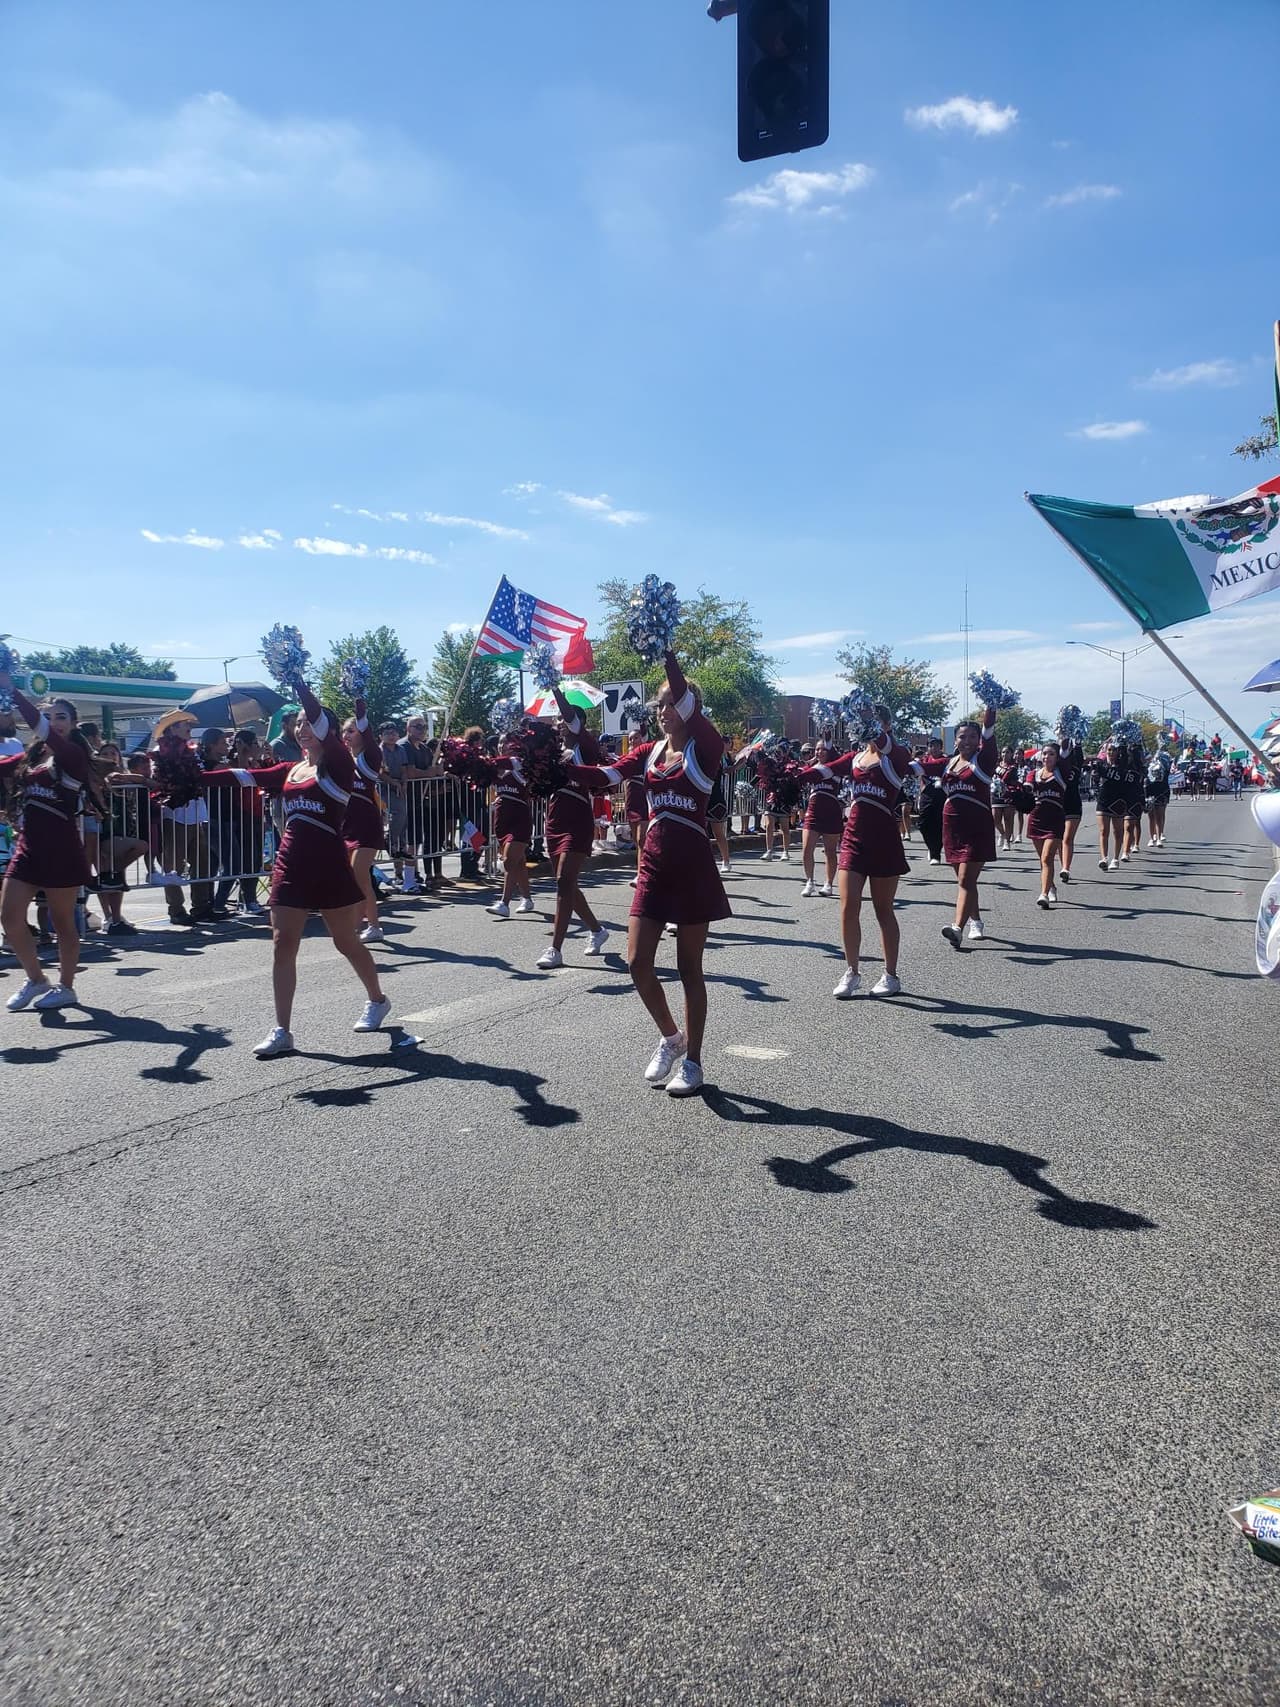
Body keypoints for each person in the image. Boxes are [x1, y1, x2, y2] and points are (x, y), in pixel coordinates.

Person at [561, 651, 730, 1095]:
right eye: (658, 705)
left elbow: (682, 691)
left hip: (692, 867)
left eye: (670, 703)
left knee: (689, 968)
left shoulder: (706, 747)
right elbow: (605, 774)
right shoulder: (648, 751)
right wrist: (561, 769)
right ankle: (672, 1038)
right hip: (653, 866)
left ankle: (693, 1062)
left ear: (689, 708)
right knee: (637, 962)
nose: (662, 711)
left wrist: (666, 650)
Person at [204, 680, 392, 1056]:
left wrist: (297, 680)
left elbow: (323, 721)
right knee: (282, 943)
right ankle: (282, 1030)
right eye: (298, 723)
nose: (302, 727)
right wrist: (191, 779)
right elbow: (244, 778)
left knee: (345, 941)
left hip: (328, 864)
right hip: (290, 864)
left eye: (309, 722)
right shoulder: (290, 770)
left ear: (327, 730)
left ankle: (377, 999)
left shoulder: (338, 764)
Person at [0, 678, 100, 1010]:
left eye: (61, 717)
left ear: (71, 726)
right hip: (29, 849)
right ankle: (36, 979)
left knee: (62, 923)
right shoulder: (29, 759)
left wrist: (12, 690)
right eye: (51, 716)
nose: (55, 722)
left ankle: (67, 987)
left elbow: (39, 728)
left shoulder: (72, 756)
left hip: (62, 851)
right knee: (10, 917)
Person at [800, 709, 910, 997]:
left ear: (886, 725)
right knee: (848, 907)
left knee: (883, 910)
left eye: (877, 722)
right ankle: (852, 971)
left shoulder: (897, 755)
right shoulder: (855, 758)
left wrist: (866, 717)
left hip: (884, 840)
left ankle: (890, 975)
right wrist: (792, 777)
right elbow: (825, 770)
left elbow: (883, 742)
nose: (869, 727)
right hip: (853, 839)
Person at [536, 686, 609, 969]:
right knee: (565, 884)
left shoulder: (585, 746)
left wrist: (555, 686)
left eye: (562, 720)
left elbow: (570, 716)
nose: (558, 724)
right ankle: (597, 930)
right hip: (554, 819)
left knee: (565, 880)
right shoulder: (555, 751)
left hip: (577, 818)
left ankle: (555, 949)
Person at [941, 703, 999, 948]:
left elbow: (988, 729)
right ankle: (976, 920)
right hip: (952, 829)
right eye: (962, 737)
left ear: (979, 742)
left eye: (972, 737)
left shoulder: (983, 761)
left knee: (966, 879)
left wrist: (991, 705)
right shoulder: (949, 763)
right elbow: (915, 767)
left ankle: (957, 928)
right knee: (966, 881)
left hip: (977, 829)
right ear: (955, 740)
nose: (967, 741)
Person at [341, 696, 386, 942]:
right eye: (344, 731)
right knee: (357, 878)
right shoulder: (341, 761)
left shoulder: (369, 758)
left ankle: (354, 928)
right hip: (346, 827)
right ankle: (374, 926)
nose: (347, 735)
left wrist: (359, 706)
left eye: (352, 730)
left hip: (367, 826)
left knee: (359, 876)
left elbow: (367, 734)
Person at [210, 729, 267, 918]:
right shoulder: (233, 764)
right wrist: (242, 754)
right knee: (244, 860)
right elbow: (241, 779)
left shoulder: (255, 763)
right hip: (242, 814)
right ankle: (242, 899)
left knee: (256, 858)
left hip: (257, 814)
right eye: (255, 744)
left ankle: (248, 899)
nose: (257, 748)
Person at [486, 731, 535, 918]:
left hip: (520, 817)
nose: (501, 746)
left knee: (508, 861)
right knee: (518, 862)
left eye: (506, 743)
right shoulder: (495, 768)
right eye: (499, 743)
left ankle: (504, 903)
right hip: (502, 819)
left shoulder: (520, 764)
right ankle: (527, 899)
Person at [1027, 739, 1080, 908]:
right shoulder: (1033, 774)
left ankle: (1043, 894)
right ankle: (1051, 887)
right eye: (1044, 753)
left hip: (1055, 821)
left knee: (1047, 858)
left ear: (1057, 757)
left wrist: (1064, 734)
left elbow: (1065, 751)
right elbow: (1026, 789)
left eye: (1051, 754)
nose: (1047, 757)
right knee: (1042, 860)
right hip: (1036, 819)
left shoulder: (1061, 772)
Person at [800, 735, 842, 898]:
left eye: (823, 748)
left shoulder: (836, 766)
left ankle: (828, 884)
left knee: (830, 851)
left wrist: (828, 738)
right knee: (806, 849)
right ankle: (809, 881)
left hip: (831, 811)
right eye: (817, 749)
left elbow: (836, 755)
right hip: (813, 810)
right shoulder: (810, 768)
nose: (819, 751)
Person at [377, 721, 411, 888]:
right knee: (398, 815)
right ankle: (388, 839)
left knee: (403, 826)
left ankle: (399, 874)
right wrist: (394, 783)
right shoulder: (379, 751)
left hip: (399, 787)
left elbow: (404, 769)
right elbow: (380, 772)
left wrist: (403, 783)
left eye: (394, 732)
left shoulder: (400, 749)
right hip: (384, 788)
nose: (391, 735)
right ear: (381, 736)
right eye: (387, 733)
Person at [915, 735, 947, 866]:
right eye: (931, 745)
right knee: (923, 824)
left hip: (941, 795)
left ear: (941, 747)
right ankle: (931, 846)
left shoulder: (946, 761)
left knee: (939, 824)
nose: (934, 748)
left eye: (936, 745)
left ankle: (935, 853)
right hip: (926, 795)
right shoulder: (923, 761)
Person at [992, 746, 1020, 853]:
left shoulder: (1014, 767)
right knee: (995, 819)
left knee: (1008, 819)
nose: (1005, 754)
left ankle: (1007, 841)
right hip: (996, 795)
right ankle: (1003, 834)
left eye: (1007, 752)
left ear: (1011, 754)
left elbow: (1015, 781)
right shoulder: (996, 765)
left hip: (1008, 795)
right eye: (1003, 752)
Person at [1145, 745, 1172, 847]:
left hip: (1162, 791)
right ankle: (1152, 837)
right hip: (1150, 791)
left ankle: (1160, 836)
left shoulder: (1165, 768)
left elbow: (1169, 769)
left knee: (1160, 815)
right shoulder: (1149, 766)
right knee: (1151, 816)